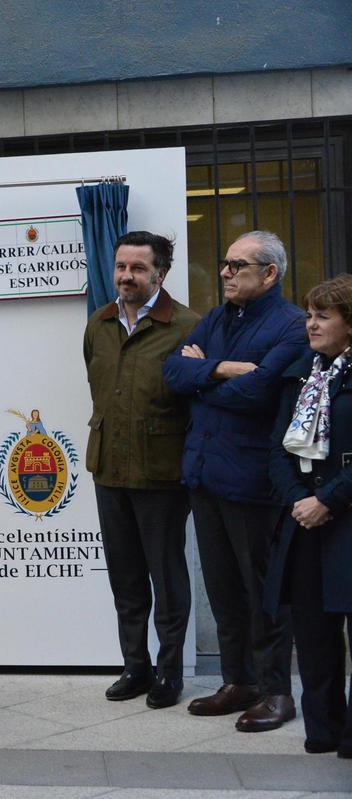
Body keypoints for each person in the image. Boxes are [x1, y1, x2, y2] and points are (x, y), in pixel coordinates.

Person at [163, 230, 307, 732]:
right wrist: (221, 370)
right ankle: (238, 681)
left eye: (237, 265)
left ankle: (275, 691)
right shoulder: (219, 318)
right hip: (206, 476)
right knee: (223, 590)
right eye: (225, 263)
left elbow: (260, 395)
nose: (225, 272)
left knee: (262, 592)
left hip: (252, 482)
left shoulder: (291, 326)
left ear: (269, 274)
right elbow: (172, 373)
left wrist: (202, 380)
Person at [84, 231, 200, 708]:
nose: (126, 277)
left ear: (160, 274)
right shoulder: (100, 322)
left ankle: (169, 672)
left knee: (166, 578)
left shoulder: (189, 327)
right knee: (125, 578)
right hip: (109, 470)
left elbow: (199, 401)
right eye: (120, 267)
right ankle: (136, 665)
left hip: (161, 475)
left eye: (137, 268)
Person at [265, 274, 352, 758]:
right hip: (304, 522)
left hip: (344, 517)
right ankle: (322, 730)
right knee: (314, 638)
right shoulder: (304, 371)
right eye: (309, 314)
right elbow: (278, 447)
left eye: (323, 315)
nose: (311, 323)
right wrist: (300, 498)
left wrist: (329, 500)